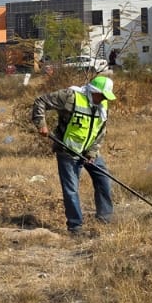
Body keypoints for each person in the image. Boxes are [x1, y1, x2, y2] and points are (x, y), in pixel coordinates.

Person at [30, 74, 117, 235]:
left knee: (104, 180)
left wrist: (92, 152)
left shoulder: (103, 106)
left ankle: (104, 218)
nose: (104, 99)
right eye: (102, 95)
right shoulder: (70, 97)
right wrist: (41, 124)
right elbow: (40, 101)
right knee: (71, 189)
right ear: (93, 91)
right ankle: (75, 227)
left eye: (106, 96)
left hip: (90, 150)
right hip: (68, 151)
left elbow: (100, 132)